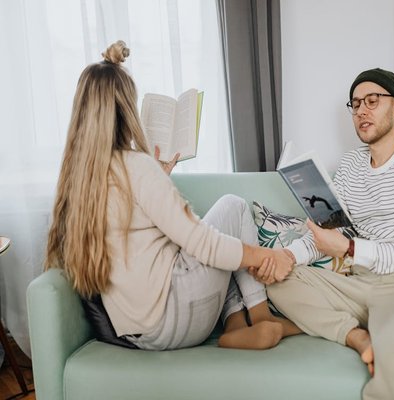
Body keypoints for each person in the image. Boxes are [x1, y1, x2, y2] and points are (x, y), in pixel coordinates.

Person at [45, 40, 300, 351]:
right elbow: (201, 242)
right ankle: (261, 316)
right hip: (175, 318)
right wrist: (266, 256)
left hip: (138, 333)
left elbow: (129, 228)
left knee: (219, 239)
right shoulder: (136, 167)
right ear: (127, 111)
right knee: (231, 209)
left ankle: (235, 321)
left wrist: (158, 179)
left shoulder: (78, 177)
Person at [264, 68, 394, 399]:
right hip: (364, 286)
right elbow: (329, 236)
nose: (361, 110)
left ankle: (375, 333)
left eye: (372, 101)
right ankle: (358, 334)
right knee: (279, 279)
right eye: (356, 104)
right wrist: (287, 256)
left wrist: (347, 248)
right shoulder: (349, 166)